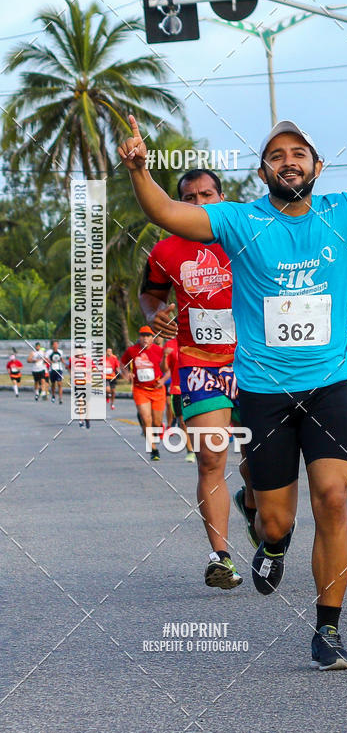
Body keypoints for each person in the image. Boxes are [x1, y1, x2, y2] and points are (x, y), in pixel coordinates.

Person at [118, 80, 347, 670]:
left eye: (298, 154)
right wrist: (139, 171)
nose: (289, 162)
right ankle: (273, 544)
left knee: (332, 499)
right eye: (277, 155)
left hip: (332, 382)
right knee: (278, 516)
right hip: (263, 391)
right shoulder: (237, 221)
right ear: (263, 170)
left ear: (317, 165)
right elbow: (164, 211)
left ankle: (327, 629)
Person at [139, 168, 253, 590]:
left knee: (258, 467)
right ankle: (220, 556)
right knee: (211, 457)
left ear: (223, 198)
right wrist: (154, 314)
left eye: (208, 195)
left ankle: (253, 506)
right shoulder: (165, 250)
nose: (199, 204)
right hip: (200, 364)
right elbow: (150, 294)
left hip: (258, 364)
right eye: (190, 197)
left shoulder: (250, 235)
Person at [120, 326, 168, 460]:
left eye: (148, 336)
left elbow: (168, 369)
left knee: (157, 423)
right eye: (143, 336)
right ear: (139, 338)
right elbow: (122, 363)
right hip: (140, 390)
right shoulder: (132, 351)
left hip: (157, 390)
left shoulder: (159, 351)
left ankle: (156, 429)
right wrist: (126, 373)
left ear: (153, 338)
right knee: (147, 420)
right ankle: (154, 450)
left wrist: (163, 380)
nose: (145, 338)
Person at [162, 337, 194, 463]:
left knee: (196, 420)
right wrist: (165, 356)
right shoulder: (170, 344)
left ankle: (201, 447)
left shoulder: (194, 340)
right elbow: (165, 369)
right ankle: (190, 450)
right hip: (177, 389)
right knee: (182, 421)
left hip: (194, 388)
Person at [47, 340, 65, 404]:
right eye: (54, 344)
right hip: (52, 369)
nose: (55, 346)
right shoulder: (49, 352)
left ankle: (60, 398)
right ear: (52, 345)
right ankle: (53, 395)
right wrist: (50, 362)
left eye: (56, 344)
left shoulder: (60, 352)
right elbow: (46, 359)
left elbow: (61, 359)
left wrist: (65, 364)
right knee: (53, 384)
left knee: (59, 384)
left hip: (59, 369)